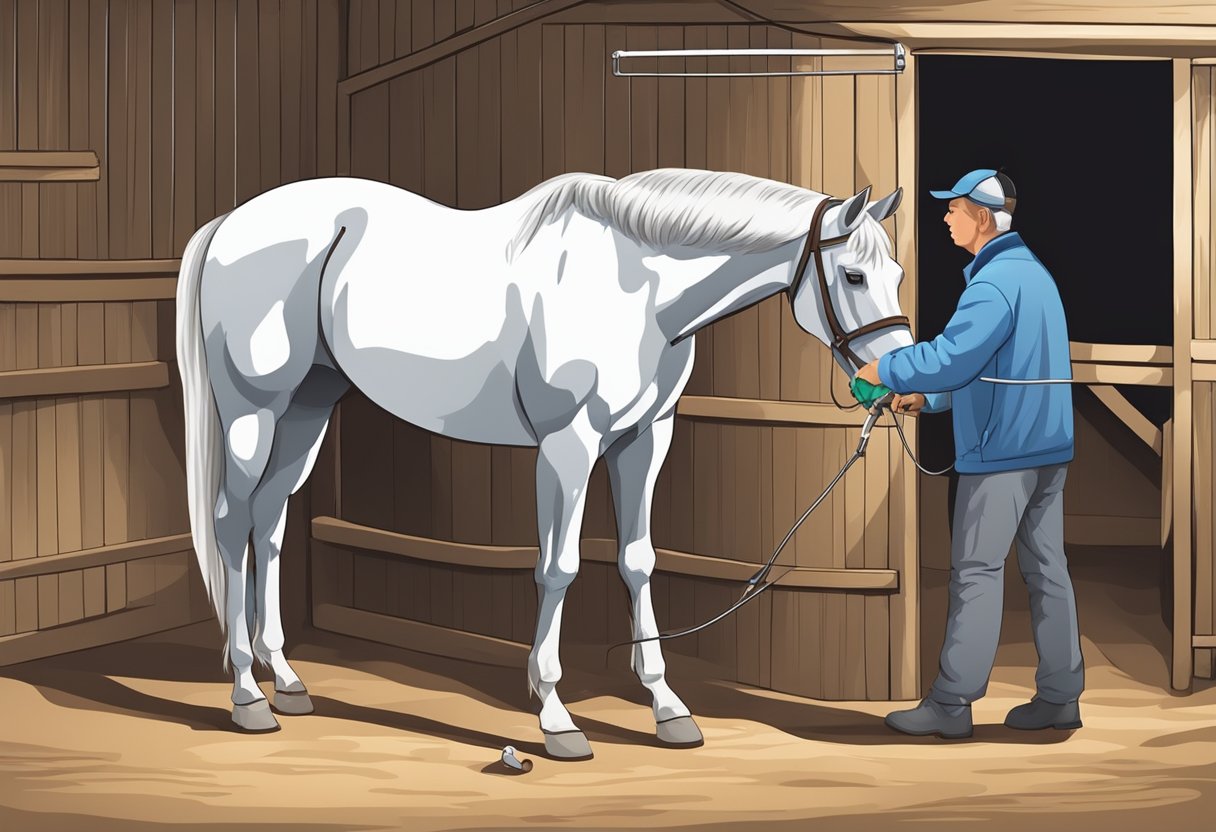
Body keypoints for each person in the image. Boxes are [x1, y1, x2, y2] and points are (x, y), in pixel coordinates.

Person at [853, 169, 1085, 738]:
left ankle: (952, 704)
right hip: (1047, 449)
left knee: (976, 573)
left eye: (954, 209)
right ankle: (1061, 695)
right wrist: (928, 399)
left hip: (1001, 452)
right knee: (1048, 572)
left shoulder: (993, 283)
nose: (946, 217)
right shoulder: (1034, 276)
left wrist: (887, 368)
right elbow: (996, 369)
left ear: (982, 217)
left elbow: (955, 357)